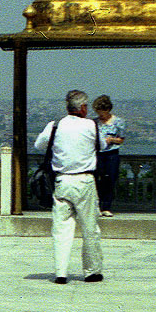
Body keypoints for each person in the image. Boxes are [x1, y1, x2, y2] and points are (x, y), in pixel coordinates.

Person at [34, 90, 103, 284]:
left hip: (62, 181)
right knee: (90, 228)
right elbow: (103, 145)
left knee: (61, 229)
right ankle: (92, 271)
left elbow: (39, 145)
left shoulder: (55, 126)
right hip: (85, 181)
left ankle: (61, 273)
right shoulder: (91, 125)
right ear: (82, 108)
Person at [91, 95, 126, 217]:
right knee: (96, 179)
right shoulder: (94, 122)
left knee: (110, 179)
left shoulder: (119, 122)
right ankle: (96, 206)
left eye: (102, 113)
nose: (101, 116)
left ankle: (106, 206)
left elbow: (121, 139)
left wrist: (111, 140)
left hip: (111, 154)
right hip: (98, 154)